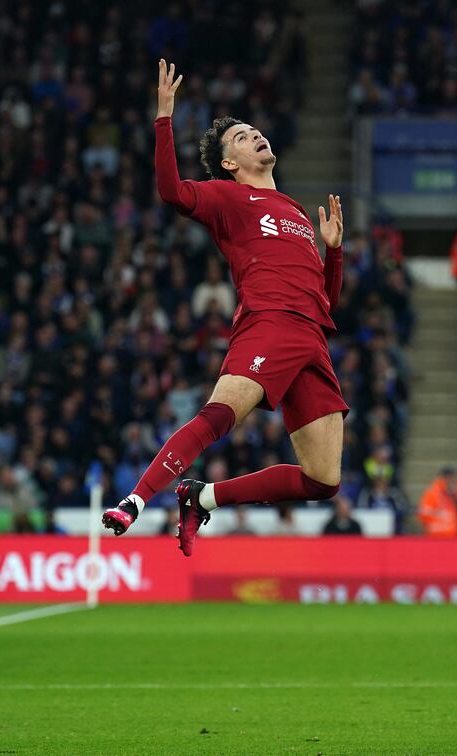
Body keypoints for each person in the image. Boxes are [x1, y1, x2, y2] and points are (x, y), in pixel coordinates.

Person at [102, 60, 348, 556]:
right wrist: (164, 118)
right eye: (241, 137)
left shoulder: (298, 211)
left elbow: (328, 302)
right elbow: (171, 191)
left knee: (323, 480)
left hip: (312, 341)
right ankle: (136, 500)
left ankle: (201, 496)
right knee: (219, 415)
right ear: (230, 164)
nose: (255, 135)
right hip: (270, 323)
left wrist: (334, 253)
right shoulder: (229, 199)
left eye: (254, 131)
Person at [417, 468, 457, 537]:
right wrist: (440, 514)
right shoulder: (432, 492)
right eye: (448, 477)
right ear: (442, 478)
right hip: (435, 535)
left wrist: (455, 497)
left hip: (453, 535)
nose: (450, 480)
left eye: (452, 477)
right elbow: (423, 513)